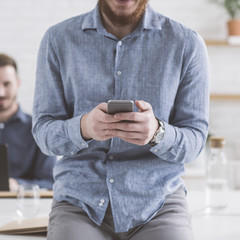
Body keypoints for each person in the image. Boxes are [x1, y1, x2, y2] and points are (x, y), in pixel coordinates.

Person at [33, 0, 209, 239]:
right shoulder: (57, 39)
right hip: (80, 203)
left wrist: (157, 133)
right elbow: (43, 132)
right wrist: (83, 127)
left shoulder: (187, 43)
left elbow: (195, 141)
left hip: (158, 203)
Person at [0, 53, 56, 191]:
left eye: (7, 84)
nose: (1, 92)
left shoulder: (39, 129)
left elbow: (50, 182)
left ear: (18, 83)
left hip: (21, 208)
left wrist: (17, 185)